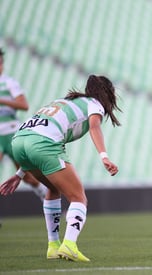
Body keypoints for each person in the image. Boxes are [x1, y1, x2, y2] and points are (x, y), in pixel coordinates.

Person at [0, 75, 121, 262]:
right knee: (78, 197)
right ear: (106, 93)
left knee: (53, 188)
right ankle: (69, 245)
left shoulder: (64, 101)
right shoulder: (94, 103)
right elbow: (95, 127)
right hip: (42, 143)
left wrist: (20, 172)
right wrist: (104, 156)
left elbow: (36, 132)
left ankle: (53, 246)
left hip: (19, 141)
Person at [0, 47, 46, 201]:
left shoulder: (8, 83)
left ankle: (50, 200)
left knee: (27, 177)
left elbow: (23, 104)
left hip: (11, 133)